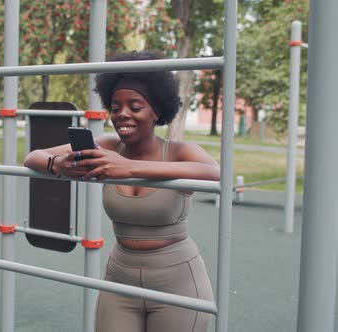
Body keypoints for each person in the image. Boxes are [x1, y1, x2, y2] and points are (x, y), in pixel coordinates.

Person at [23, 50, 220, 332]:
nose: (122, 114)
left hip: (178, 280)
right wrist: (59, 164)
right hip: (120, 277)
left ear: (157, 111)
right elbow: (33, 157)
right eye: (115, 107)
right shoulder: (107, 146)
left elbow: (216, 174)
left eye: (135, 106)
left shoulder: (179, 151)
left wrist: (129, 167)